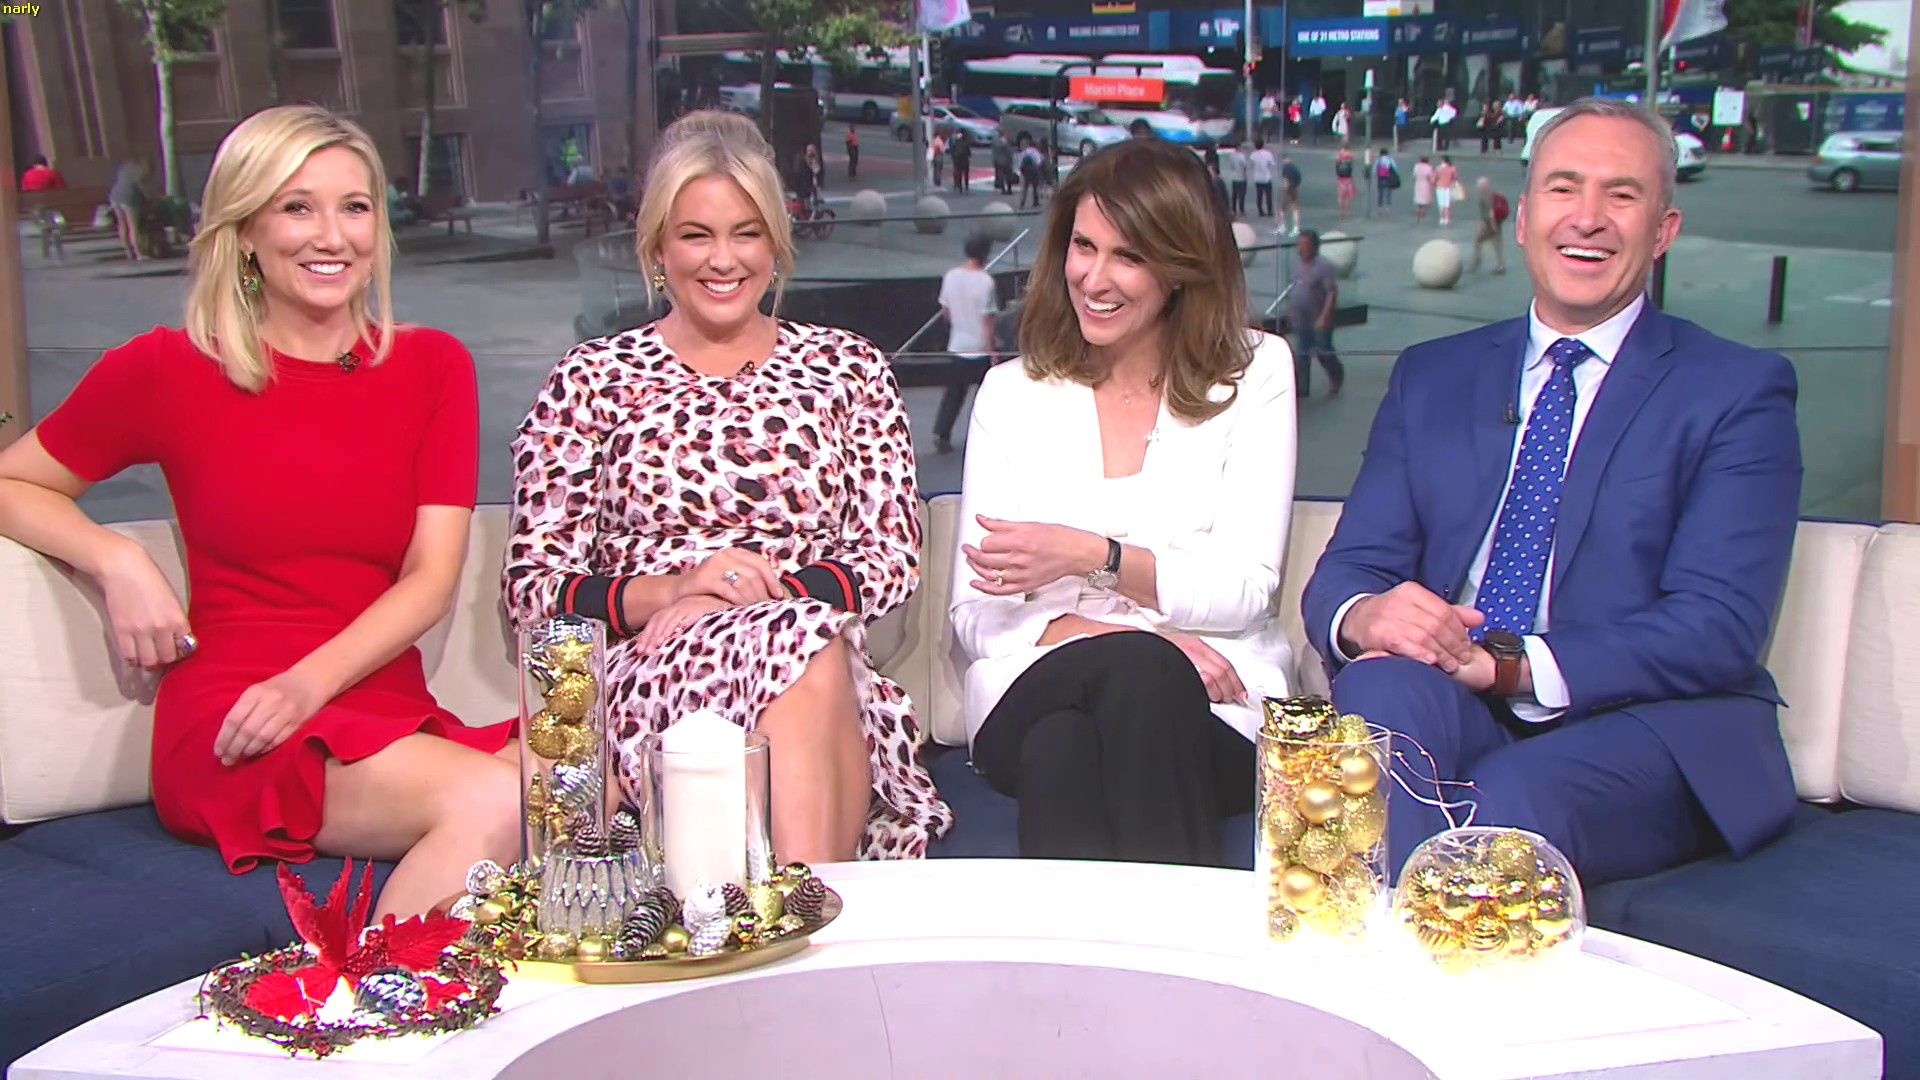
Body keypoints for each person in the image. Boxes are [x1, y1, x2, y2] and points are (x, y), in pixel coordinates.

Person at [0, 105, 516, 918]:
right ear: (245, 231)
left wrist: (310, 685)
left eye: (355, 207)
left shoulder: (432, 367)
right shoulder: (167, 369)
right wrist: (115, 560)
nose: (332, 236)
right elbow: (12, 482)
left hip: (367, 701)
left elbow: (431, 578)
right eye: (296, 207)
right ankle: (363, 993)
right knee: (499, 801)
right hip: (239, 716)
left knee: (588, 783)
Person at [1301, 97, 1802, 888]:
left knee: (1508, 798)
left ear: (1663, 231)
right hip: (1453, 701)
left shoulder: (1737, 391)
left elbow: (1718, 625)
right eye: (1565, 189)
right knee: (1373, 696)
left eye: (1622, 195)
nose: (1588, 218)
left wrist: (1510, 666)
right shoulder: (1434, 376)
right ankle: (1368, 956)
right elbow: (1349, 570)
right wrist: (1368, 615)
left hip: (1645, 726)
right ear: (1526, 216)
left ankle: (1401, 948)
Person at [505, 110, 952, 862]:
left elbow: (890, 558)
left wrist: (745, 596)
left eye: (746, 233)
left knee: (807, 646)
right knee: (810, 648)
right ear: (658, 249)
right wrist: (676, 593)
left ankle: (794, 906)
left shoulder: (849, 369)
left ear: (776, 245)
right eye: (696, 235)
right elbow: (533, 587)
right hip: (651, 668)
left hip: (814, 649)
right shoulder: (592, 379)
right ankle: (807, 912)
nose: (723, 260)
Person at [949, 137, 1296, 866]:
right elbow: (977, 615)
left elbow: (1245, 590)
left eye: (1128, 256)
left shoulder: (1257, 374)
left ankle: (1062, 949)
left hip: (1216, 706)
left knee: (1063, 748)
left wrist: (1092, 556)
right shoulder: (1012, 394)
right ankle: (1190, 942)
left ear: (1180, 267)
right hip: (1033, 685)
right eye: (1083, 247)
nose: (1093, 278)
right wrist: (1138, 644)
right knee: (1137, 674)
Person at [933, 232, 1000, 455]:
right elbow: (987, 320)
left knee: (954, 393)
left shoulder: (951, 276)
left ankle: (942, 433)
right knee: (985, 396)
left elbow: (946, 312)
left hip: (957, 344)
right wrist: (993, 350)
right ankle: (984, 435)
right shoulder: (986, 282)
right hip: (979, 348)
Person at [1289, 229, 1344, 398]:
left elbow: (1331, 292)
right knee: (1302, 354)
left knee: (1323, 352)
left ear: (1314, 247)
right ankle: (1302, 388)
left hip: (1318, 317)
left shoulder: (1324, 267)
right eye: (1299, 245)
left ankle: (1336, 375)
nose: (1301, 249)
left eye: (1304, 245)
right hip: (1302, 318)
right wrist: (1292, 310)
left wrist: (1324, 316)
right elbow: (1296, 289)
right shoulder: (1298, 266)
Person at [108, 160, 147, 261]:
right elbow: (143, 188)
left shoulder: (124, 167)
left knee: (122, 225)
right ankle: (139, 253)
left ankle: (128, 252)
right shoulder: (141, 170)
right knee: (133, 226)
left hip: (115, 195)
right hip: (129, 197)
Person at [1469, 175, 1508, 274]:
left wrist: (1491, 224)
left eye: (1479, 186)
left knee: (1481, 240)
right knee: (1495, 243)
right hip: (1494, 223)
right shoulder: (1490, 195)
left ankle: (1478, 260)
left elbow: (1490, 214)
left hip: (1492, 224)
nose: (1478, 188)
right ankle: (1499, 265)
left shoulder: (1487, 197)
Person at [1248, 139, 1277, 218]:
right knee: (1268, 195)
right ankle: (1269, 211)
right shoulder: (1268, 153)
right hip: (1266, 177)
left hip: (1257, 177)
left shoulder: (1253, 155)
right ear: (1263, 145)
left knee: (1259, 195)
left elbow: (1251, 165)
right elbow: (1272, 164)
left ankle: (1260, 211)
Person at [1277, 154, 1303, 237]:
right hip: (1294, 188)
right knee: (1295, 209)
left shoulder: (1285, 168)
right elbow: (1299, 178)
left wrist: (1285, 190)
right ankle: (1296, 228)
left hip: (1288, 189)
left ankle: (1282, 227)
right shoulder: (1294, 168)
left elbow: (1286, 180)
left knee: (1283, 208)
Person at [1221, 141, 1248, 216]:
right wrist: (1245, 176)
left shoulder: (1232, 156)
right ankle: (1241, 210)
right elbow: (1244, 166)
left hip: (1234, 177)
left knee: (1234, 194)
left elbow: (1231, 165)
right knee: (1241, 195)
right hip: (1241, 177)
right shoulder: (1241, 156)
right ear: (1239, 147)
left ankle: (1234, 209)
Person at [1017, 141, 1044, 210]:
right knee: (1035, 188)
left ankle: (1022, 204)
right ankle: (1035, 202)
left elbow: (1020, 164)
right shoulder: (1035, 152)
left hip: (1026, 174)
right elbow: (1038, 162)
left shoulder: (1023, 153)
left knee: (1025, 189)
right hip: (1034, 173)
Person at [1435, 154, 1459, 226]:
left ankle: (1442, 218)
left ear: (1442, 160)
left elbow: (1434, 178)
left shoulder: (1438, 168)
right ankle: (1447, 218)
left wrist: (1433, 183)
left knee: (1441, 204)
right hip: (1449, 187)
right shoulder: (1452, 168)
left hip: (1440, 187)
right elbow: (1455, 177)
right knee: (1447, 204)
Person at [1334, 146, 1357, 219]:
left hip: (1340, 178)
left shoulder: (1339, 153)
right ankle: (1347, 212)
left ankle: (1341, 211)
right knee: (1347, 196)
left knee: (1341, 196)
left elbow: (1336, 163)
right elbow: (1352, 161)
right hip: (1348, 178)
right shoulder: (1350, 154)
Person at [1375, 147, 1399, 214]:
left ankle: (1379, 208)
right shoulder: (1390, 160)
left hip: (1380, 178)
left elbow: (1375, 169)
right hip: (1388, 178)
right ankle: (1387, 208)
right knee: (1388, 193)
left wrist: (1376, 175)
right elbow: (1395, 168)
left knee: (1380, 193)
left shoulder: (1378, 160)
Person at [1412, 154, 1435, 224]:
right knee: (1424, 202)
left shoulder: (1416, 166)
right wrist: (1433, 183)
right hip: (1426, 185)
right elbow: (1430, 177)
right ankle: (1422, 217)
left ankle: (1418, 216)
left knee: (1419, 202)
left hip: (1418, 184)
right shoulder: (1429, 167)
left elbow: (1414, 175)